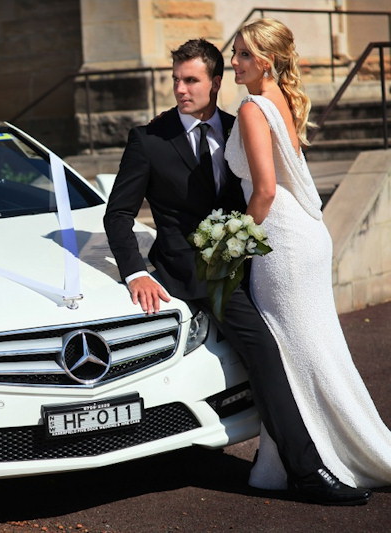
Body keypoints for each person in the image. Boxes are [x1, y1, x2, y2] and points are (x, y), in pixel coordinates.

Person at [103, 38, 371, 505]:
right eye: (176, 81)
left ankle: (343, 444)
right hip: (195, 273)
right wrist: (135, 273)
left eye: (191, 80)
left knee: (301, 345)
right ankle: (306, 471)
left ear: (215, 82)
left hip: (253, 262)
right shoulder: (148, 139)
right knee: (266, 351)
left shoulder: (237, 125)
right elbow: (117, 216)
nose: (181, 90)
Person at [224, 18, 391, 492]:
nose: (233, 62)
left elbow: (263, 191)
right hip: (302, 237)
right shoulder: (281, 100)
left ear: (266, 61)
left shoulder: (254, 107)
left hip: (281, 243)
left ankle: (351, 454)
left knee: (301, 355)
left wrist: (233, 244)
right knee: (307, 352)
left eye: (241, 54)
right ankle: (283, 464)